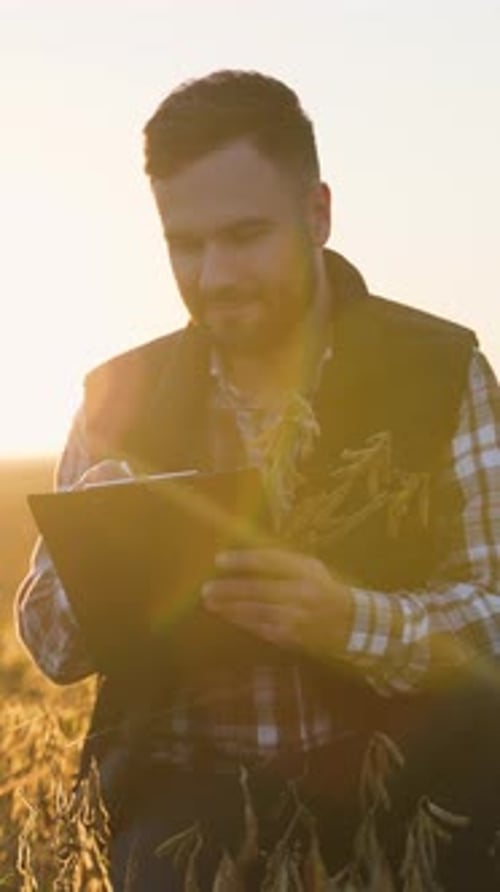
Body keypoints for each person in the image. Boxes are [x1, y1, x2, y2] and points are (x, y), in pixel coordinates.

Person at [15, 70, 500, 890]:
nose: (213, 275)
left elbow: (494, 612)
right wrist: (107, 538)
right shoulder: (114, 399)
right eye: (185, 244)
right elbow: (53, 652)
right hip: (182, 831)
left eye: (244, 236)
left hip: (419, 805)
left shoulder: (443, 371)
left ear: (318, 214)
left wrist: (349, 620)